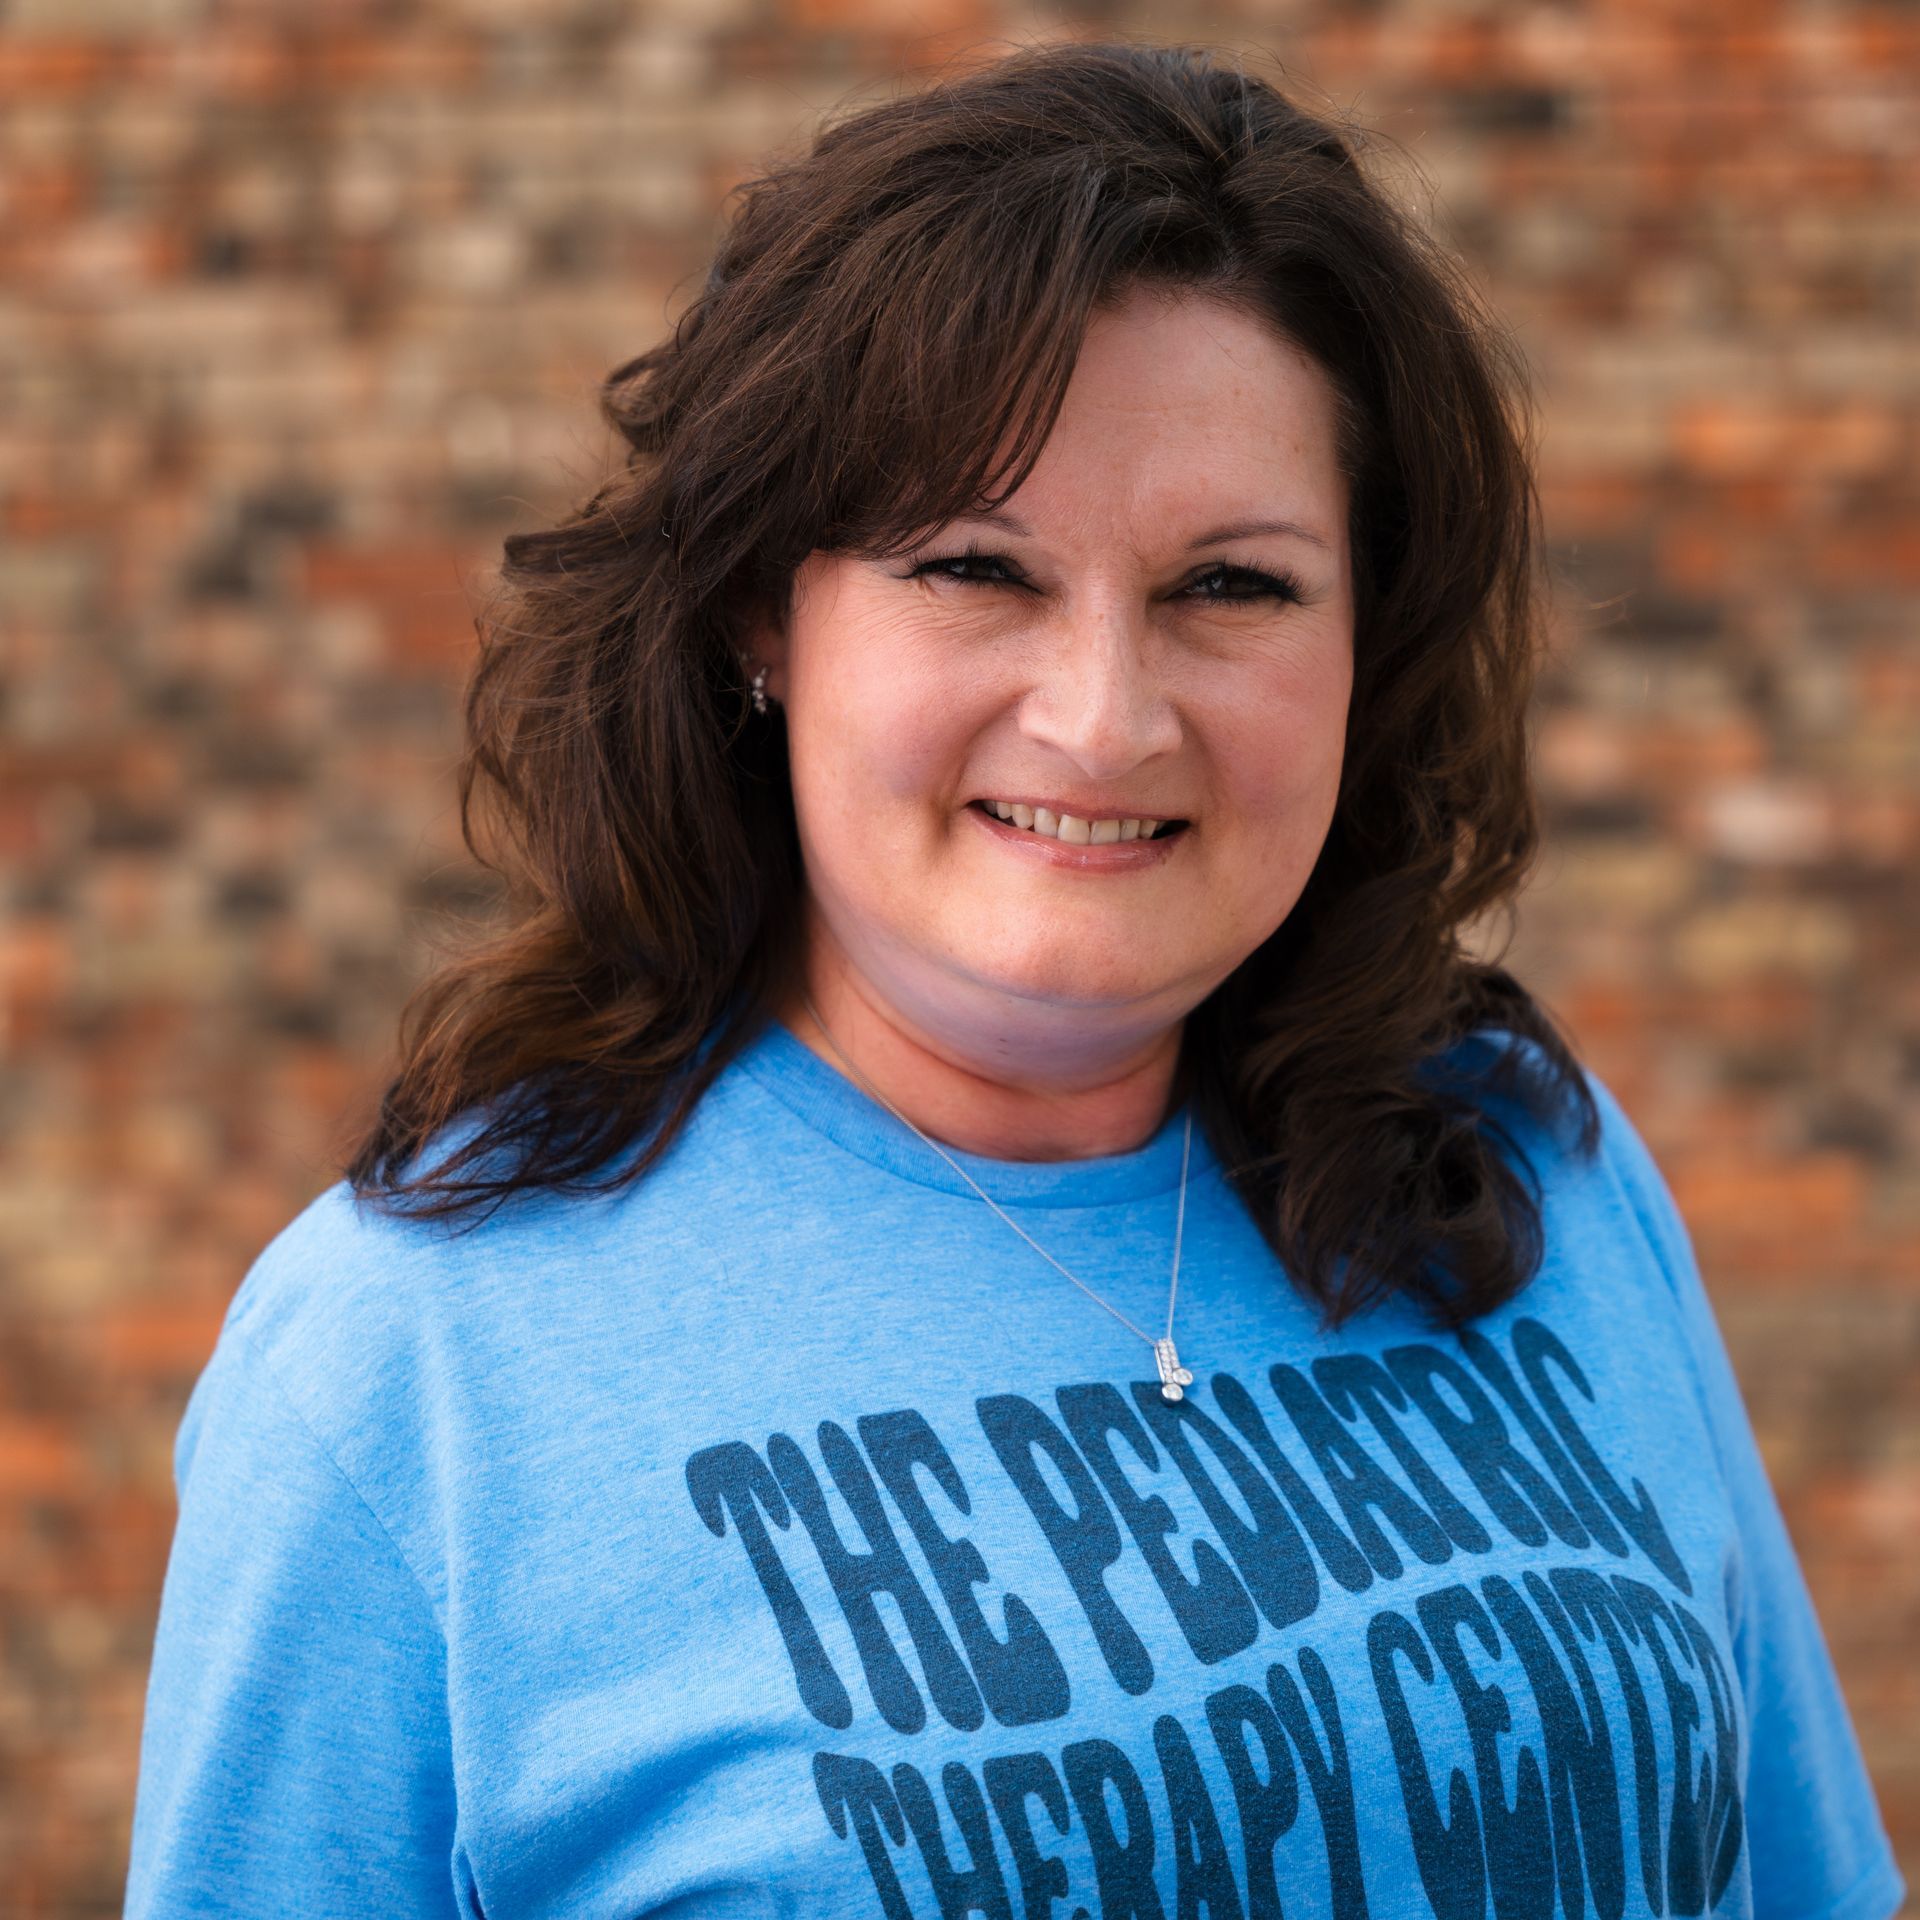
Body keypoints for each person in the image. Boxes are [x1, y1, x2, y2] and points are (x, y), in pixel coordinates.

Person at [122, 39, 1904, 1920]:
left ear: (1366, 645)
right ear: (762, 616)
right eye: (976, 567)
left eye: (1235, 587)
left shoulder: (1534, 1176)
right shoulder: (415, 1376)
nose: (1106, 717)